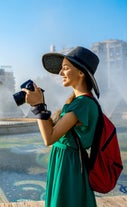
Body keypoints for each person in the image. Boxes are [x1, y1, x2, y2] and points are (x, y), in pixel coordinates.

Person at [22, 46, 100, 207]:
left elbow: (49, 137)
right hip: (65, 161)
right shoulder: (77, 102)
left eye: (65, 68)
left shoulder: (83, 104)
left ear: (81, 73)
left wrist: (38, 107)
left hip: (69, 165)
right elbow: (54, 130)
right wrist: (41, 103)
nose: (60, 73)